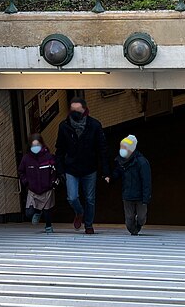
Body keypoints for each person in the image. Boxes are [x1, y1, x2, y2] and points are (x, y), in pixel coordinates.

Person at [55, 97, 108, 235]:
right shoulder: (64, 126)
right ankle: (79, 212)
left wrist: (105, 170)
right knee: (72, 197)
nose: (75, 112)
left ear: (85, 110)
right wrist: (59, 169)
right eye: (73, 109)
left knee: (90, 198)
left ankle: (88, 225)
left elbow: (102, 149)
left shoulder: (94, 125)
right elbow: (59, 149)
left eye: (78, 109)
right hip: (71, 168)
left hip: (89, 168)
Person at [106, 135, 151, 236]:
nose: (122, 150)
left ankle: (138, 224)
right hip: (127, 195)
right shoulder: (121, 161)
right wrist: (111, 178)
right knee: (129, 220)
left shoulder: (142, 162)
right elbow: (117, 172)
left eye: (124, 147)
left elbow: (146, 181)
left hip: (140, 196)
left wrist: (146, 197)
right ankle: (133, 230)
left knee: (142, 218)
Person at [18, 134, 57, 234]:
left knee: (47, 210)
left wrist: (53, 181)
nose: (35, 147)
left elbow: (55, 170)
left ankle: (48, 226)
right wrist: (26, 182)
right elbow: (21, 171)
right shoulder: (26, 159)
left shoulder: (48, 157)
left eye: (37, 145)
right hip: (33, 189)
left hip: (47, 188)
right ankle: (37, 211)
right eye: (33, 145)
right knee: (29, 213)